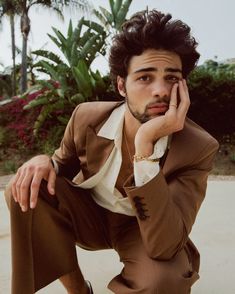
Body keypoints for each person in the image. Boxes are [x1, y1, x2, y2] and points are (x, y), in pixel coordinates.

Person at [5, 9, 219, 294]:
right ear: (121, 85)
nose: (160, 90)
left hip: (143, 229)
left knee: (163, 279)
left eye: (171, 78)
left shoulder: (198, 148)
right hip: (89, 217)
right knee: (25, 186)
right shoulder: (86, 118)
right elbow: (58, 167)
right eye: (144, 78)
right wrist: (41, 161)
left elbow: (165, 244)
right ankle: (79, 290)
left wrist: (144, 148)